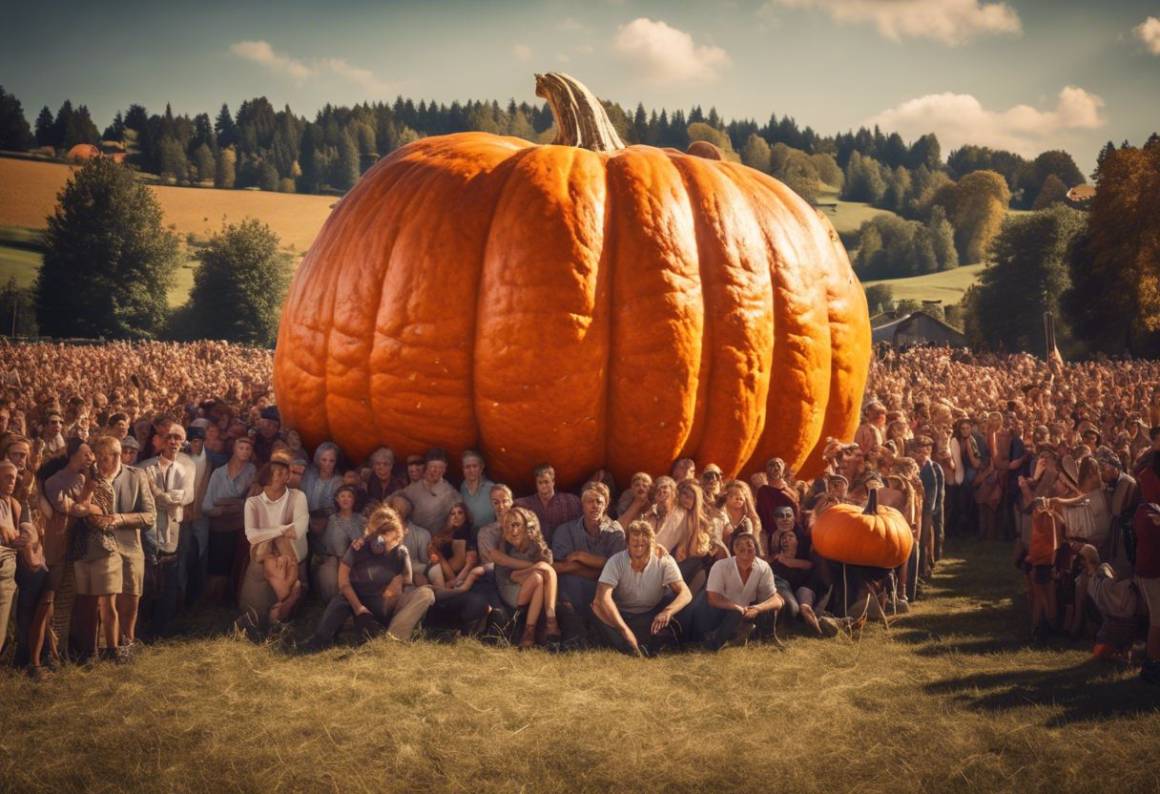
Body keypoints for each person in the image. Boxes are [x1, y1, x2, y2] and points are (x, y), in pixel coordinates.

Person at [304, 505, 435, 649]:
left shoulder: (401, 552)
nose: (382, 535)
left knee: (426, 594)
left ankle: (395, 635)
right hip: (361, 604)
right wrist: (359, 608)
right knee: (341, 600)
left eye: (386, 530)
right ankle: (321, 639)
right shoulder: (358, 548)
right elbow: (343, 583)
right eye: (378, 529)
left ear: (395, 530)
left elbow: (407, 583)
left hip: (388, 605)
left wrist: (399, 583)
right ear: (371, 529)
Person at [592, 520, 692, 656]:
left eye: (643, 545)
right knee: (597, 607)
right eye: (635, 545)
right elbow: (603, 598)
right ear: (627, 544)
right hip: (619, 614)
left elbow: (686, 593)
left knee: (665, 625)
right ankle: (629, 643)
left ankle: (630, 645)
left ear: (652, 544)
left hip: (649, 613)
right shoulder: (616, 561)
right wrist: (624, 630)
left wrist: (667, 612)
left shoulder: (664, 560)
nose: (639, 549)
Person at [138, 421, 195, 637]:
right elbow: (144, 498)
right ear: (161, 440)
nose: (173, 442)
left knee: (171, 576)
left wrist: (161, 497)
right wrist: (168, 499)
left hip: (173, 527)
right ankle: (145, 625)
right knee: (149, 576)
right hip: (149, 529)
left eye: (177, 438)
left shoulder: (187, 466)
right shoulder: (145, 466)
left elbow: (187, 496)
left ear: (182, 442)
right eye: (169, 437)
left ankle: (163, 627)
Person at [242, 453, 308, 625]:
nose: (285, 475)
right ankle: (289, 600)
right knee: (270, 554)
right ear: (267, 477)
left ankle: (280, 612)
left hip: (289, 549)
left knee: (279, 553)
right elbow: (251, 535)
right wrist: (280, 530)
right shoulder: (253, 503)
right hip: (264, 551)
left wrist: (270, 533)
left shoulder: (298, 497)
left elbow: (298, 530)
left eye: (286, 472)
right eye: (278, 472)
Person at [689, 532, 783, 650]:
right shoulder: (720, 566)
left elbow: (777, 601)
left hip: (745, 610)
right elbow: (713, 599)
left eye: (750, 549)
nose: (746, 554)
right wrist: (736, 607)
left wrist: (758, 608)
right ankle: (714, 641)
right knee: (735, 613)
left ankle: (767, 636)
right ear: (734, 550)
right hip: (718, 611)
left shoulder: (763, 567)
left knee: (769, 605)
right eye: (741, 549)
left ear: (756, 550)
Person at [551, 482, 625, 625]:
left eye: (599, 502)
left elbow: (618, 568)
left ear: (606, 505)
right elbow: (560, 567)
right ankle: (571, 628)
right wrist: (599, 566)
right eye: (590, 501)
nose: (595, 505)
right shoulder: (565, 530)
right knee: (564, 582)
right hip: (573, 589)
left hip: (605, 591)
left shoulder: (615, 531)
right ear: (582, 504)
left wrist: (581, 557)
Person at [494, 506, 559, 648]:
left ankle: (529, 632)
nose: (512, 530)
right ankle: (551, 622)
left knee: (539, 578)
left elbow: (548, 564)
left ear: (526, 526)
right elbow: (512, 576)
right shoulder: (504, 546)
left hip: (534, 585)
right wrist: (536, 566)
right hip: (510, 589)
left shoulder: (535, 545)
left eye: (516, 524)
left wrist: (536, 568)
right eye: (507, 526)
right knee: (539, 575)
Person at [201, 435, 256, 602]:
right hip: (219, 526)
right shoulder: (219, 473)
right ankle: (212, 602)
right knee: (218, 565)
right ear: (234, 449)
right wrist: (230, 506)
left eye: (248, 449)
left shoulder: (251, 470)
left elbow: (249, 501)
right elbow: (209, 505)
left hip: (239, 525)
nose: (245, 452)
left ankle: (229, 600)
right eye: (241, 448)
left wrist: (230, 504)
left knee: (237, 563)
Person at [311, 485, 364, 602]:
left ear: (354, 500)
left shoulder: (361, 520)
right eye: (342, 496)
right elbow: (326, 545)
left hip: (357, 560)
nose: (345, 499)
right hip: (334, 559)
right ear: (337, 499)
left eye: (349, 496)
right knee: (329, 580)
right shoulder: (331, 520)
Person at [514, 464, 581, 543]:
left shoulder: (569, 501)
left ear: (553, 482)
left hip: (562, 547)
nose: (543, 486)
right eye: (540, 483)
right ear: (536, 484)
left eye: (546, 482)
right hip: (537, 549)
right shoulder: (526, 503)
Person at [401, 448, 458, 534]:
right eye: (433, 467)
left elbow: (457, 517)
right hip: (414, 536)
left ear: (445, 468)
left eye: (440, 467)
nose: (436, 471)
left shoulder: (450, 492)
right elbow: (397, 498)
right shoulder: (414, 488)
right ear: (427, 467)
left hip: (436, 539)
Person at [458, 450, 496, 528]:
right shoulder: (463, 486)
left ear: (481, 468)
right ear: (463, 469)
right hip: (471, 535)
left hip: (490, 535)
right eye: (467, 467)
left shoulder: (492, 488)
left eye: (475, 466)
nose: (471, 470)